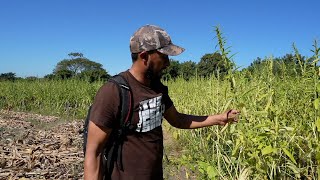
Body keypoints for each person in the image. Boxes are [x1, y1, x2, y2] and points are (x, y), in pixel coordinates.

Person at [84, 24, 240, 180]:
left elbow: (178, 120)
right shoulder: (114, 92)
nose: (168, 63)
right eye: (164, 56)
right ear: (144, 56)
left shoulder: (157, 88)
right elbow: (94, 152)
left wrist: (219, 118)